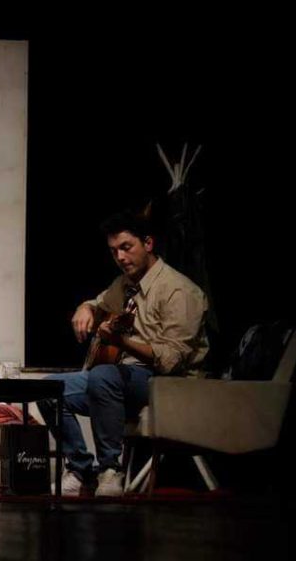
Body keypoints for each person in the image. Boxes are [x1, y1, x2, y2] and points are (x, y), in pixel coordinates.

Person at [40, 210, 208, 496]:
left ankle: (110, 469)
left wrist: (121, 342)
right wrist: (85, 307)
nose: (120, 257)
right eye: (113, 251)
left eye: (126, 247)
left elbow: (170, 361)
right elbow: (99, 302)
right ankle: (81, 470)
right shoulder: (124, 284)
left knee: (103, 376)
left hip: (169, 384)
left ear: (148, 244)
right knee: (49, 390)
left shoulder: (179, 291)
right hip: (123, 378)